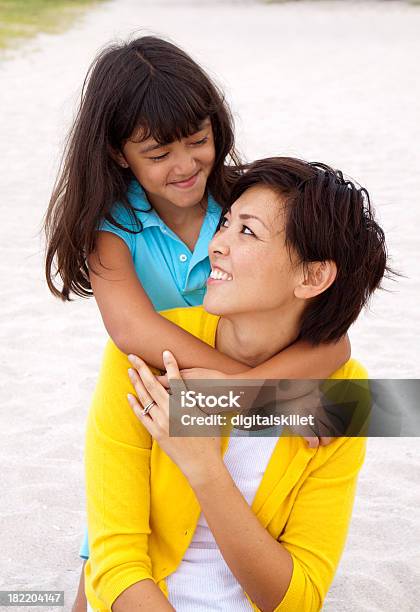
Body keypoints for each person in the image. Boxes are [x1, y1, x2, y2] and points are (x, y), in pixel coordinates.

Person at [44, 37, 349, 611]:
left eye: (198, 142)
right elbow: (132, 333)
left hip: (232, 402)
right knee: (108, 569)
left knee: (353, 421)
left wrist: (247, 397)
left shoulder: (243, 202)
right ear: (117, 154)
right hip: (156, 405)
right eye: (158, 155)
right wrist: (258, 395)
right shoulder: (110, 227)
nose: (185, 167)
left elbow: (336, 343)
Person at [84, 157, 390, 611]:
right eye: (224, 223)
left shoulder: (342, 395)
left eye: (246, 231)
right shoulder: (143, 362)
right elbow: (114, 567)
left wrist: (205, 468)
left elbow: (299, 599)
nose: (216, 244)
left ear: (312, 276)